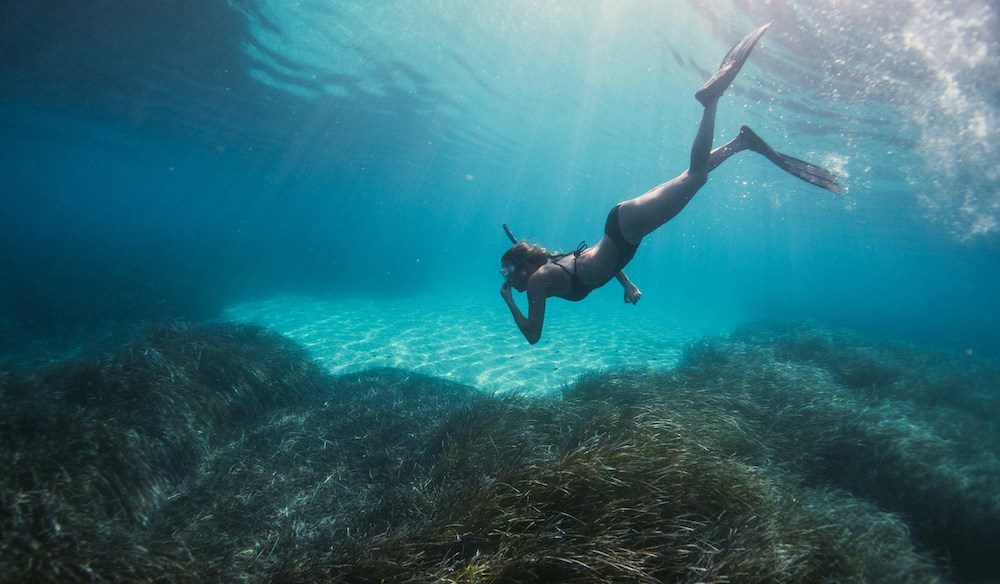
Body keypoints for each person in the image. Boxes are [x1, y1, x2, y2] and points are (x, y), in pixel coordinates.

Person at [500, 23, 842, 344]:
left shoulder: (538, 281)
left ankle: (710, 102)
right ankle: (741, 142)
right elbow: (595, 263)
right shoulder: (550, 267)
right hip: (622, 226)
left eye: (509, 272)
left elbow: (533, 335)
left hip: (625, 231)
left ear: (524, 267)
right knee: (691, 176)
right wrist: (628, 284)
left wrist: (509, 302)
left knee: (695, 178)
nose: (508, 279)